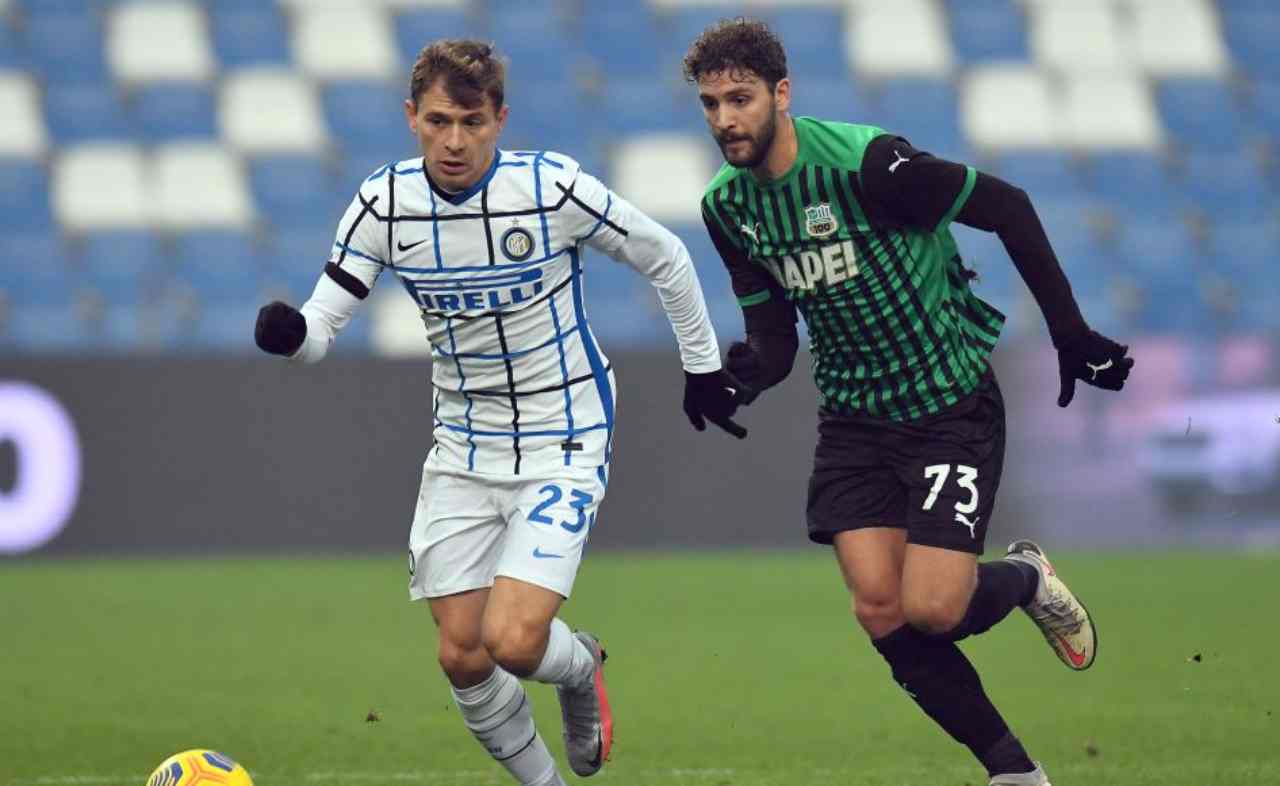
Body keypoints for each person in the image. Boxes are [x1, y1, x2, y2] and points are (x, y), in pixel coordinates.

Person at [254, 39, 747, 786]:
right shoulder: (384, 204)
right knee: (462, 652)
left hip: (566, 431)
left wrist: (703, 365)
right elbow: (324, 322)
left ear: (501, 119)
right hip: (462, 442)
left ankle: (578, 670)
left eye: (474, 123)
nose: (455, 141)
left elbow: (666, 256)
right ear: (412, 116)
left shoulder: (550, 190)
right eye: (440, 121)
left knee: (515, 641)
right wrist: (294, 339)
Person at [683, 19, 1134, 786]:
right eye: (710, 103)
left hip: (945, 406)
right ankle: (1014, 773)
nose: (726, 118)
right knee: (881, 610)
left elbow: (1009, 206)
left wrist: (1071, 332)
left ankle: (1024, 577)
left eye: (741, 98)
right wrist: (741, 376)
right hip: (854, 421)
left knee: (932, 609)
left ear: (780, 95)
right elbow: (776, 339)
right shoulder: (727, 209)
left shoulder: (871, 165)